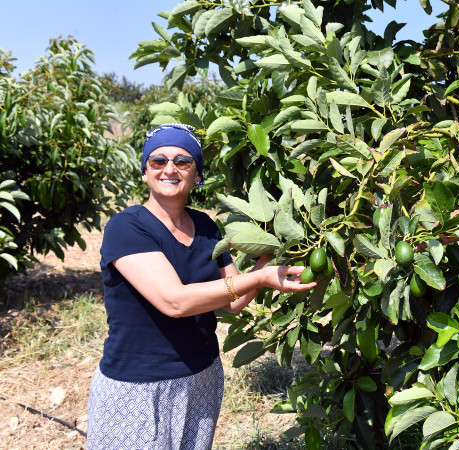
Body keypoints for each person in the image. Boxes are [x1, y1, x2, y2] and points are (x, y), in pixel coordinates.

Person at [86, 123, 316, 449]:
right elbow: (174, 301)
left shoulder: (207, 227)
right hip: (139, 383)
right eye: (158, 161)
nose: (170, 169)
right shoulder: (126, 227)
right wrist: (260, 277)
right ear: (144, 172)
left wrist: (268, 260)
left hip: (201, 375)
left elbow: (232, 300)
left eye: (182, 161)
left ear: (197, 175)